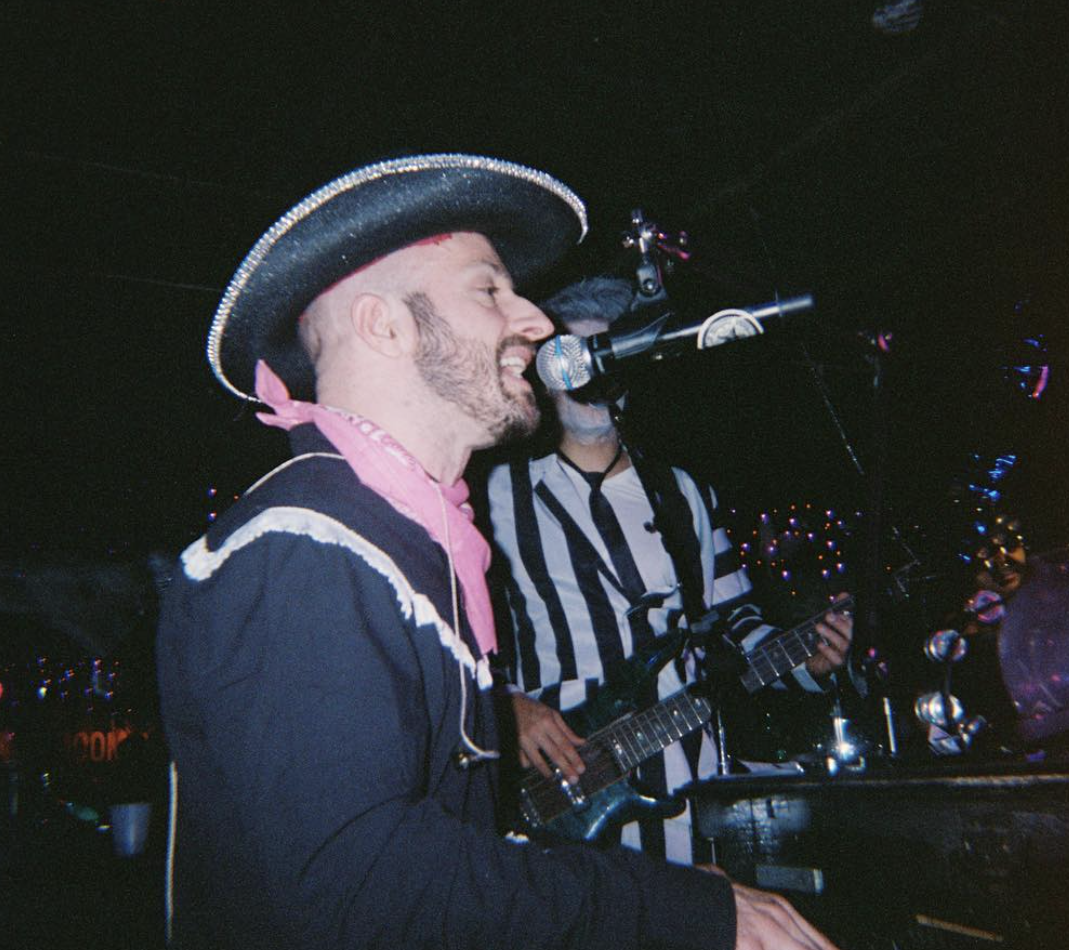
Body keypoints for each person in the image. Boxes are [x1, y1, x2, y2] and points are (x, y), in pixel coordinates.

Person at [156, 155, 841, 950]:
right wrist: (671, 909)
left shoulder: (401, 543)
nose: (537, 322)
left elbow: (447, 852)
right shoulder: (303, 550)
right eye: (490, 289)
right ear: (385, 325)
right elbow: (362, 892)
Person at [485, 277, 853, 864]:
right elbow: (454, 639)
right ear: (548, 373)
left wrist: (804, 659)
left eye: (611, 356)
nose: (593, 377)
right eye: (578, 357)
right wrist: (504, 707)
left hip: (686, 786)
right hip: (553, 793)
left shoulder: (684, 494)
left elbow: (733, 621)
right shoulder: (495, 500)